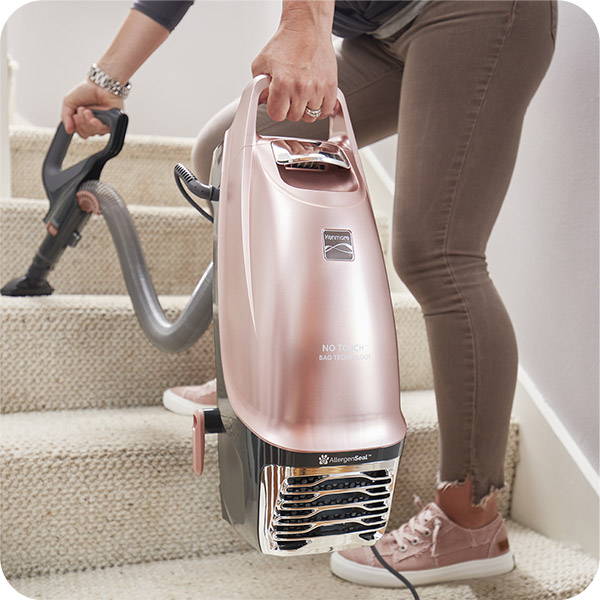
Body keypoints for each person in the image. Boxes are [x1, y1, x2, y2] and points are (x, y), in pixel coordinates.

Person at [62, 0, 556, 589]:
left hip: (473, 13)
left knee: (438, 254)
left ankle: (470, 520)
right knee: (227, 150)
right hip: (382, 35)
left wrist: (304, 26)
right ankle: (253, 375)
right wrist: (105, 81)